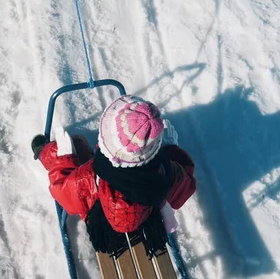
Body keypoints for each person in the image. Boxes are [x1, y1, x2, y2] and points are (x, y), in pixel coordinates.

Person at [31, 95, 196, 257]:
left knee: (78, 144)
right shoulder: (166, 172)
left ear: (106, 144)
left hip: (105, 231)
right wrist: (172, 150)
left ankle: (46, 151)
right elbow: (186, 184)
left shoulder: (89, 177)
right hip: (146, 224)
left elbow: (63, 193)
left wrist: (64, 159)